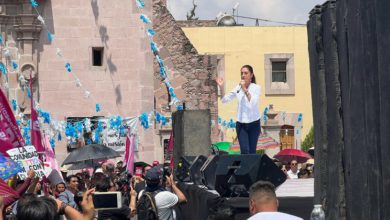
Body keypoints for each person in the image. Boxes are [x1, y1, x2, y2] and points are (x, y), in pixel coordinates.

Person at [216, 65, 261, 154]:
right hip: (241, 124)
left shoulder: (256, 87)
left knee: (252, 152)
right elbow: (224, 100)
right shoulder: (238, 88)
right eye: (242, 73)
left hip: (254, 124)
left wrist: (244, 89)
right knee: (244, 151)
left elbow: (252, 102)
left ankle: (252, 167)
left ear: (251, 75)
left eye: (246, 73)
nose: (243, 75)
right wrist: (221, 87)